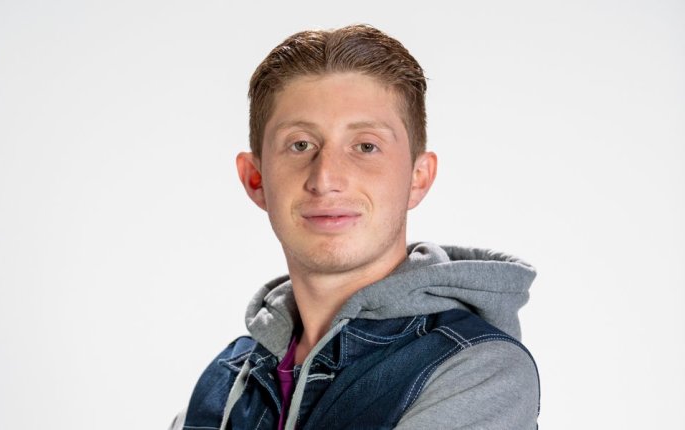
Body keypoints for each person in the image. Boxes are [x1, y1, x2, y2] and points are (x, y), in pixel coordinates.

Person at [172, 24, 540, 429]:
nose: (326, 178)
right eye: (300, 144)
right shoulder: (224, 381)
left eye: (366, 146)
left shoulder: (476, 369)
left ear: (418, 178)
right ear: (255, 179)